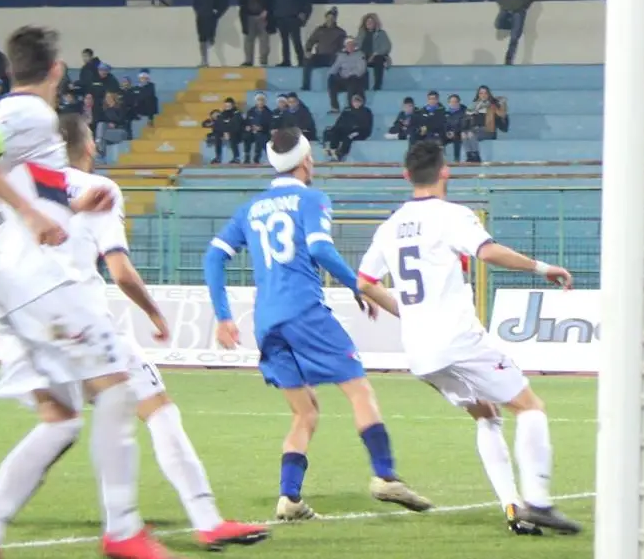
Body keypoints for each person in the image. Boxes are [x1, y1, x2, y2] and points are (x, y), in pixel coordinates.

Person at [0, 115, 266, 556]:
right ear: (88, 146)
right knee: (157, 408)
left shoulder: (15, 183)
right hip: (74, 317)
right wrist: (154, 312)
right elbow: (120, 271)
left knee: (59, 425)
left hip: (20, 320)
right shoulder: (94, 187)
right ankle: (201, 521)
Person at [0, 25, 167, 559]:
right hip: (46, 283)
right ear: (56, 70)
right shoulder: (29, 114)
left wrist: (70, 204)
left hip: (15, 289)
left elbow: (27, 187)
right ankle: (123, 531)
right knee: (117, 390)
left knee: (62, 419)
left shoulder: (28, 133)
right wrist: (31, 213)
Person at [203, 128, 433, 520]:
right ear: (306, 160)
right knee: (359, 391)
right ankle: (384, 475)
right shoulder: (311, 198)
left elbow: (213, 256)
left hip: (267, 322)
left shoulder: (251, 208)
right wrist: (358, 287)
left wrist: (223, 314)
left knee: (305, 412)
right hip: (304, 312)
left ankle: (289, 498)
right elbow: (321, 249)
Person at [357, 140, 580, 534]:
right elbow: (488, 252)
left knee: (487, 415)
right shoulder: (453, 216)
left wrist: (409, 313)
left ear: (406, 176)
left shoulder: (389, 227)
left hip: (421, 352)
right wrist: (542, 268)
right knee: (529, 406)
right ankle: (539, 502)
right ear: (446, 171)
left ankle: (513, 508)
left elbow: (365, 282)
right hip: (458, 340)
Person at [238, 0, 275, 68]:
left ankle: (263, 61)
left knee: (264, 40)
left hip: (263, 17)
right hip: (249, 17)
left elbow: (272, 0)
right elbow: (241, 1)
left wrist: (266, 10)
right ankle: (248, 61)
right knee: (248, 40)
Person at [272, 0, 310, 67]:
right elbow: (274, 6)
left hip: (293, 19)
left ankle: (301, 61)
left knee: (296, 40)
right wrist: (275, 19)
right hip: (281, 20)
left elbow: (306, 4)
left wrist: (304, 15)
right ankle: (286, 61)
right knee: (284, 42)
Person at [192, 0, 229, 66]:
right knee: (202, 38)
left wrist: (217, 12)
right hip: (201, 17)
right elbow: (195, 1)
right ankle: (204, 60)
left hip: (211, 17)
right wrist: (198, 10)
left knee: (211, 38)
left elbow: (224, 2)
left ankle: (221, 61)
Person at [325, 38, 368, 113]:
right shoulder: (341, 55)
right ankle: (335, 107)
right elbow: (335, 66)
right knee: (331, 79)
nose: (350, 47)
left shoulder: (360, 55)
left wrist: (349, 74)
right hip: (343, 79)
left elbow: (361, 69)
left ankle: (350, 106)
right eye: (348, 45)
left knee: (353, 79)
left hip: (354, 78)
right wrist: (331, 73)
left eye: (352, 45)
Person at [325, 94, 372, 161]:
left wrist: (358, 130)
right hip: (346, 129)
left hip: (360, 131)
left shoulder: (366, 111)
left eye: (358, 101)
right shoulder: (347, 110)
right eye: (354, 101)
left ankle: (341, 153)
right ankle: (333, 149)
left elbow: (367, 126)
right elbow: (339, 121)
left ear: (361, 102)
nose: (356, 103)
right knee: (336, 131)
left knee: (349, 136)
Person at [356, 13, 392, 91]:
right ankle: (363, 87)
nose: (369, 23)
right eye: (367, 21)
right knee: (360, 60)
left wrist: (375, 54)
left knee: (379, 59)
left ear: (375, 23)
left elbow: (386, 47)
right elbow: (357, 46)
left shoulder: (381, 33)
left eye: (371, 21)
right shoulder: (361, 34)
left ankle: (377, 86)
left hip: (376, 56)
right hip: (363, 56)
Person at [242, 93, 274, 164]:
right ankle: (247, 156)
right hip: (251, 131)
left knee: (260, 136)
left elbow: (270, 125)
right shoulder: (250, 111)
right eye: (258, 100)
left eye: (262, 100)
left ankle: (257, 156)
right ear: (256, 101)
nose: (260, 102)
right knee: (246, 136)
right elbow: (247, 122)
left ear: (265, 101)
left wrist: (261, 128)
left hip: (263, 132)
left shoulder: (269, 113)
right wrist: (248, 127)